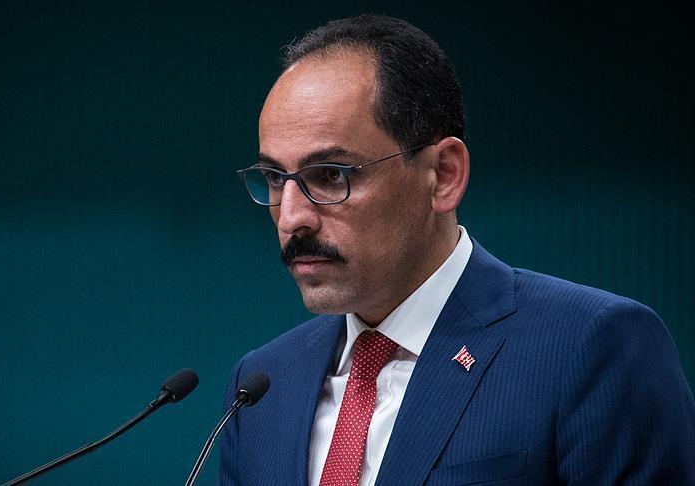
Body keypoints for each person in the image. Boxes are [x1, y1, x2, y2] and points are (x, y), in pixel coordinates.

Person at [218, 14, 695, 486]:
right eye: (275, 178)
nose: (291, 217)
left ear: (443, 175)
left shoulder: (591, 348)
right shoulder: (261, 386)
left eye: (329, 175)